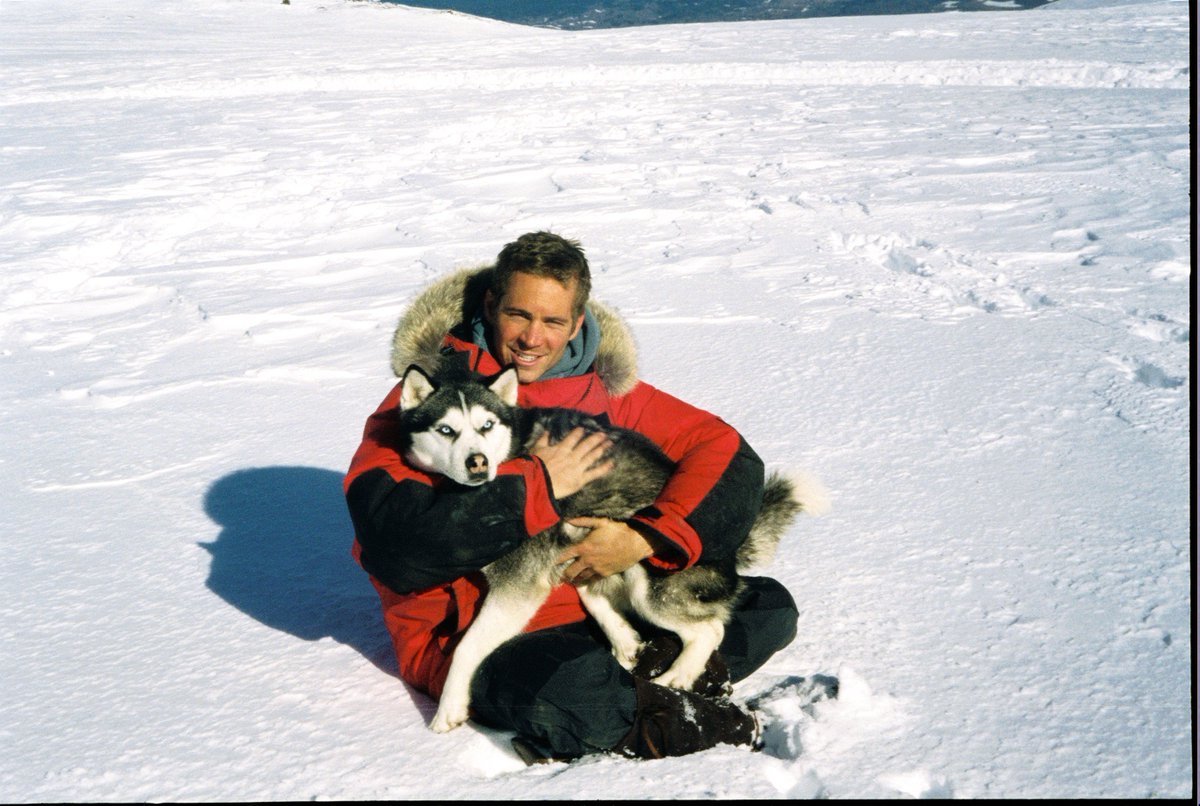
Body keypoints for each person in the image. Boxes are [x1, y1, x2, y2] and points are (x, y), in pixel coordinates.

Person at [344, 232, 800, 762]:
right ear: (490, 306)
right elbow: (397, 549)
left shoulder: (603, 391)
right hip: (486, 633)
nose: (532, 338)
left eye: (553, 322)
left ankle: (646, 679)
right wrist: (539, 486)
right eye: (518, 315)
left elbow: (723, 451)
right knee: (571, 693)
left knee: (770, 607)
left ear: (577, 323)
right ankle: (679, 717)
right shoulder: (425, 414)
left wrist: (645, 537)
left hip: (602, 605)